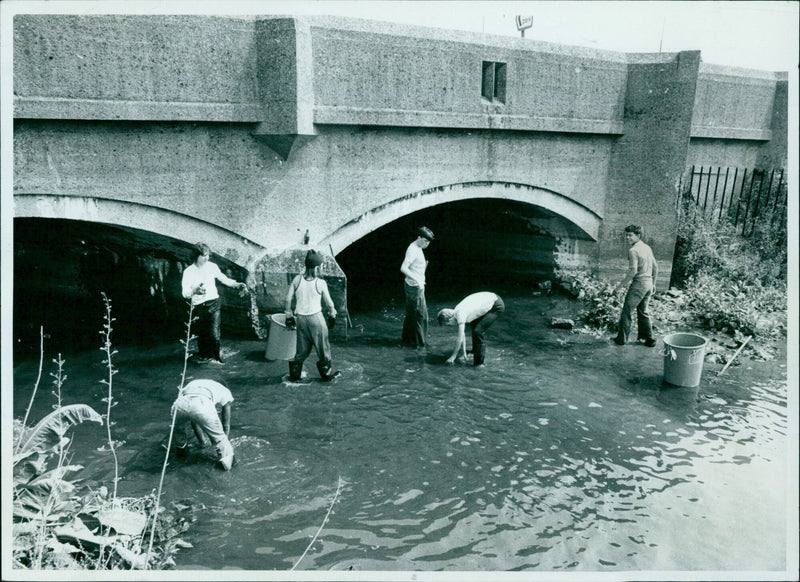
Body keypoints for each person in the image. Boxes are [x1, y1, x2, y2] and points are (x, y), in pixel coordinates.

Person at [181, 242, 247, 364]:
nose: (206, 258)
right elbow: (185, 293)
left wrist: (237, 284)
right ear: (196, 256)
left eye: (208, 255)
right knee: (202, 334)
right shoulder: (188, 272)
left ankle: (217, 360)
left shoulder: (212, 266)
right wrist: (194, 290)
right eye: (203, 255)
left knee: (214, 334)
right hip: (198, 306)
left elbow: (224, 279)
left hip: (214, 303)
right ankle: (204, 357)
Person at [284, 249, 340, 382]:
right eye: (319, 266)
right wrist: (332, 315)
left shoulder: (297, 280)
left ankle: (294, 377)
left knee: (301, 350)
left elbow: (287, 300)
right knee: (323, 349)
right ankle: (326, 376)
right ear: (316, 267)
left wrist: (289, 317)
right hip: (316, 319)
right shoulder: (320, 283)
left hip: (301, 319)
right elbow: (329, 304)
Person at [171, 378, 235, 470]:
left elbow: (194, 419)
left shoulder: (194, 383)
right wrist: (224, 438)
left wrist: (202, 442)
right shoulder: (225, 390)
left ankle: (180, 462)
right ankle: (230, 470)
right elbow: (226, 422)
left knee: (179, 437)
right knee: (222, 442)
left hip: (180, 404)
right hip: (202, 403)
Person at [613, 225, 658, 347]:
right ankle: (649, 339)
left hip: (639, 284)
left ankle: (621, 339)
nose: (627, 237)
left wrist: (619, 287)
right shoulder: (647, 248)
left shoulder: (633, 251)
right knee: (643, 312)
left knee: (626, 311)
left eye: (630, 235)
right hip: (648, 284)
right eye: (626, 235)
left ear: (638, 235)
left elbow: (633, 271)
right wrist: (653, 284)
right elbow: (655, 267)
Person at [437, 292, 505, 367]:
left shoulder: (460, 314)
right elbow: (462, 335)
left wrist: (453, 356)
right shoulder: (456, 312)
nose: (450, 326)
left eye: (448, 325)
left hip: (496, 305)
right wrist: (464, 353)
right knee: (474, 325)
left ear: (449, 319)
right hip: (489, 298)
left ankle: (479, 363)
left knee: (478, 331)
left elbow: (459, 339)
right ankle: (474, 352)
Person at [400, 226, 434, 348]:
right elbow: (403, 268)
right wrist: (418, 280)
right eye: (425, 241)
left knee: (411, 315)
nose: (427, 244)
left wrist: (423, 267)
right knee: (422, 317)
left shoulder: (417, 247)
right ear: (419, 237)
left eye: (429, 242)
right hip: (415, 287)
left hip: (412, 285)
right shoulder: (413, 249)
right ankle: (421, 345)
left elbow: (413, 267)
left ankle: (407, 341)